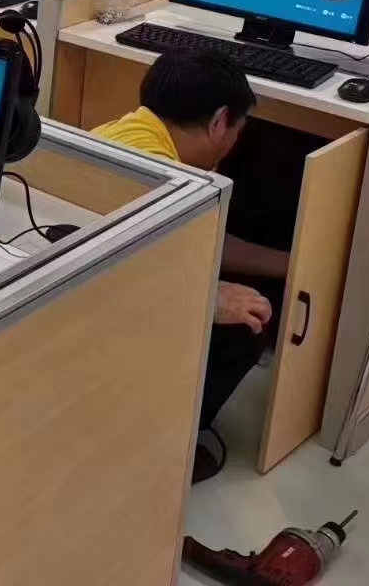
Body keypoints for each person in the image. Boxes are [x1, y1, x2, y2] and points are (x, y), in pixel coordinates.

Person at [92, 49, 290, 482]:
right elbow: (138, 284)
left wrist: (291, 265)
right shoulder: (170, 190)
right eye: (238, 129)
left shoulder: (121, 133)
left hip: (86, 304)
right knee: (247, 323)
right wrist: (206, 301)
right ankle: (164, 445)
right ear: (219, 121)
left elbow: (209, 242)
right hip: (105, 329)